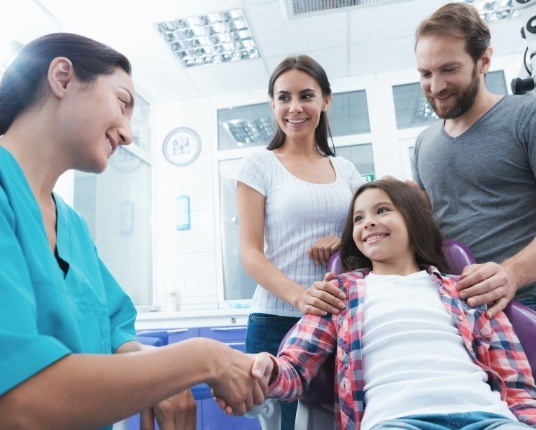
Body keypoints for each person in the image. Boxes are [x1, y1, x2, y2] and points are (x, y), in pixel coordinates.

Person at [0, 32, 269, 430]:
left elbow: (114, 338)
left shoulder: (73, 227)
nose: (127, 133)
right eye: (123, 103)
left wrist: (160, 375)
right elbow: (18, 399)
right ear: (61, 78)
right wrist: (199, 359)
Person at [229, 179, 536, 429]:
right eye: (358, 218)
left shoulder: (466, 288)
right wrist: (268, 369)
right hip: (397, 421)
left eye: (382, 210)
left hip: (490, 418)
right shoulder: (340, 293)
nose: (368, 223)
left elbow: (516, 381)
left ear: (413, 221)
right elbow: (294, 370)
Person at [232, 54, 365, 429]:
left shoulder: (347, 172)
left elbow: (369, 237)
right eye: (284, 97)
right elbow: (251, 254)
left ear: (325, 100)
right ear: (272, 104)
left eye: (306, 95)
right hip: (276, 321)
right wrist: (300, 296)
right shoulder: (259, 165)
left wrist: (344, 242)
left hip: (338, 321)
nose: (295, 107)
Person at [411, 2, 536, 317]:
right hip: (458, 313)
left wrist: (511, 274)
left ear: (484, 61)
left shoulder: (527, 118)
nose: (435, 86)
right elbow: (428, 227)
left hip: (528, 303)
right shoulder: (423, 144)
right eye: (426, 73)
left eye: (449, 69)